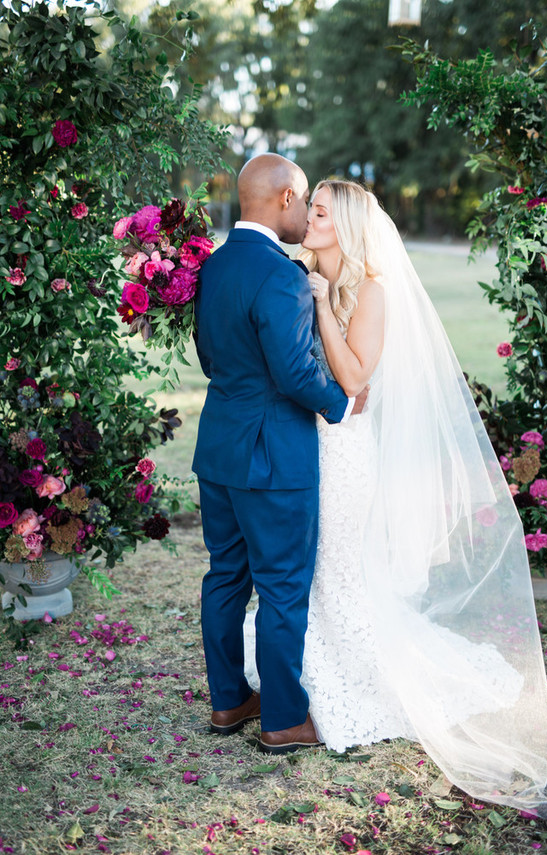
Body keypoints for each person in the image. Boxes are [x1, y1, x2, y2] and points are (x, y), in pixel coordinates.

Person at [244, 178, 547, 817]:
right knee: (309, 567)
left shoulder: (372, 292)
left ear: (346, 226)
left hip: (345, 452)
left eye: (320, 212)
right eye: (310, 208)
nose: (308, 218)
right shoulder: (302, 274)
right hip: (305, 445)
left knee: (338, 565)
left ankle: (355, 674)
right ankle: (299, 666)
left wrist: (320, 307)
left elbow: (353, 376)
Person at [192, 156, 368, 755]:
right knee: (283, 587)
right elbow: (294, 373)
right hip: (274, 458)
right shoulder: (281, 274)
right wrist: (341, 405)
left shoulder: (214, 267)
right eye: (305, 201)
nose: (306, 216)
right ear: (286, 198)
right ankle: (284, 719)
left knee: (225, 577)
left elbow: (210, 358)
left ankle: (228, 701)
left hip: (219, 449)